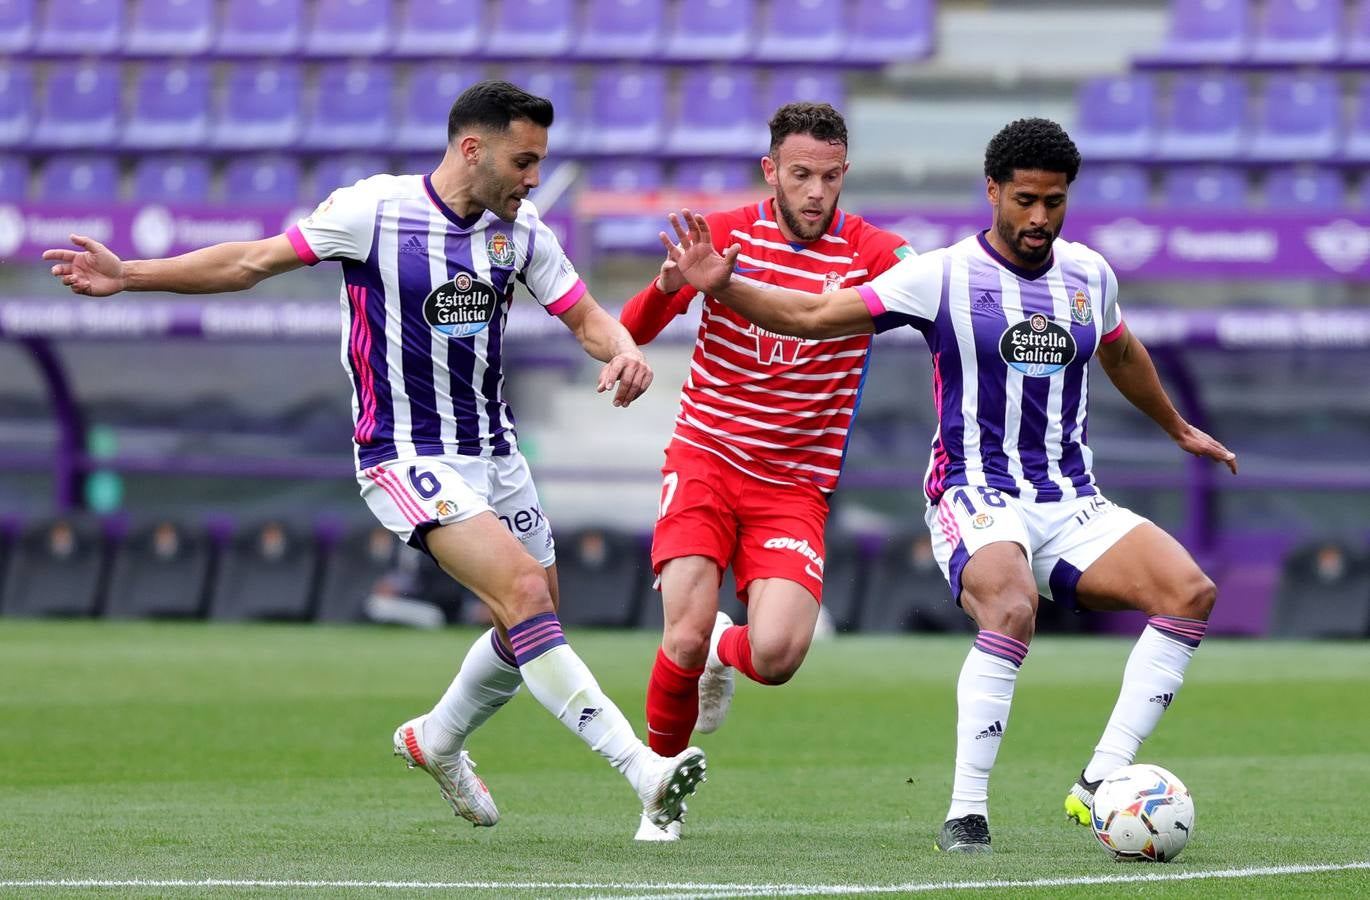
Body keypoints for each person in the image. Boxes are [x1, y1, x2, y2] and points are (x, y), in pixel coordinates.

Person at [42, 80, 706, 832]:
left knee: (533, 613)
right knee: (523, 592)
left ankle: (438, 738)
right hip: (402, 453)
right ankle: (642, 771)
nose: (532, 177)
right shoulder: (374, 210)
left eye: (539, 162)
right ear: (471, 148)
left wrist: (622, 352)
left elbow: (586, 316)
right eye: (524, 161)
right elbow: (251, 263)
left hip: (494, 450)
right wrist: (129, 274)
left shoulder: (520, 232)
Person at [659, 117, 1237, 853]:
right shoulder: (940, 276)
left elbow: (1121, 351)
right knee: (1012, 604)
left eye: (1054, 203)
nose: (1038, 218)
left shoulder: (1091, 275)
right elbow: (812, 316)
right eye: (1024, 199)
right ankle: (967, 812)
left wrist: (1178, 427)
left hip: (1069, 498)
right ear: (992, 191)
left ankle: (1100, 781)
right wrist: (729, 286)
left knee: (1189, 593)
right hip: (974, 493)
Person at [619, 102, 911, 841]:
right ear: (771, 171)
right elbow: (635, 328)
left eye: (831, 176)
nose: (816, 192)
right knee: (679, 636)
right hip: (707, 458)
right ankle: (661, 799)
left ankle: (727, 647)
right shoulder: (719, 235)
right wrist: (665, 286)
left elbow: (935, 291)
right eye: (801, 174)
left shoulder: (873, 253)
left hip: (794, 486)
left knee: (776, 656)